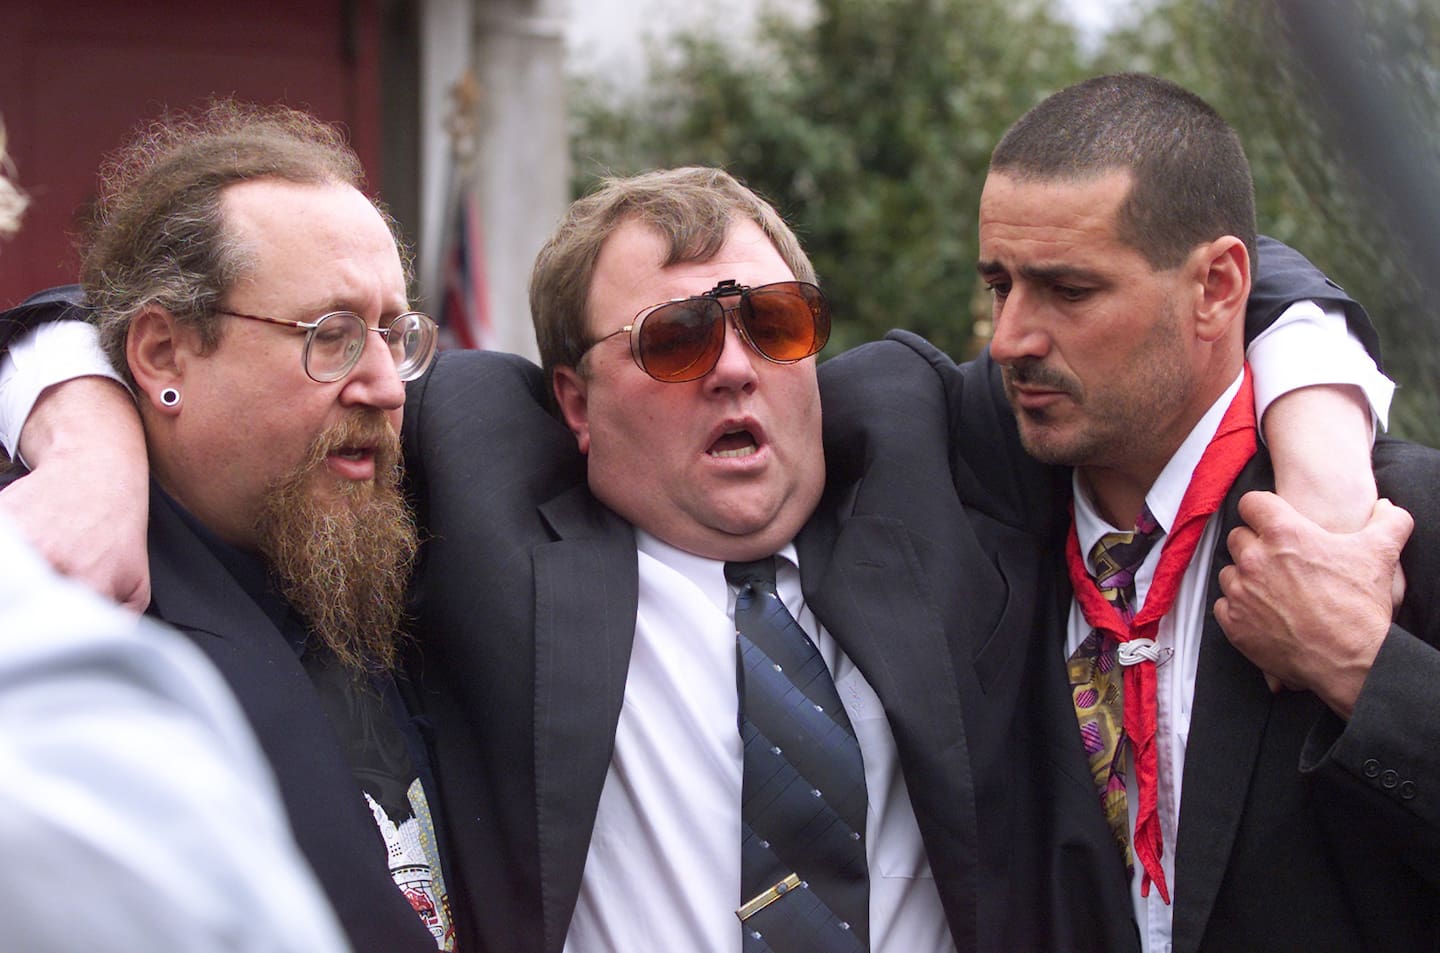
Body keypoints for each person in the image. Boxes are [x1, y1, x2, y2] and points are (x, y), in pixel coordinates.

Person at [0, 162, 1393, 951]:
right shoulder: (476, 469)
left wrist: (1326, 464)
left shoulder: (912, 440)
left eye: (773, 322)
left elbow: (1221, 273)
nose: (734, 368)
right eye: (672, 340)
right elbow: (126, 312)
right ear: (572, 401)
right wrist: (83, 437)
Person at [969, 72, 1440, 951]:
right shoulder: (972, 510)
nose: (1011, 339)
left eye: (1070, 291)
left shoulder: (1398, 522)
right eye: (1000, 285)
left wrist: (1365, 670)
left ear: (1220, 287)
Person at [2, 104, 454, 952]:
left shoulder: (419, 522)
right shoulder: (69, 616)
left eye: (393, 335)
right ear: (165, 355)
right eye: (330, 334)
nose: (387, 386)